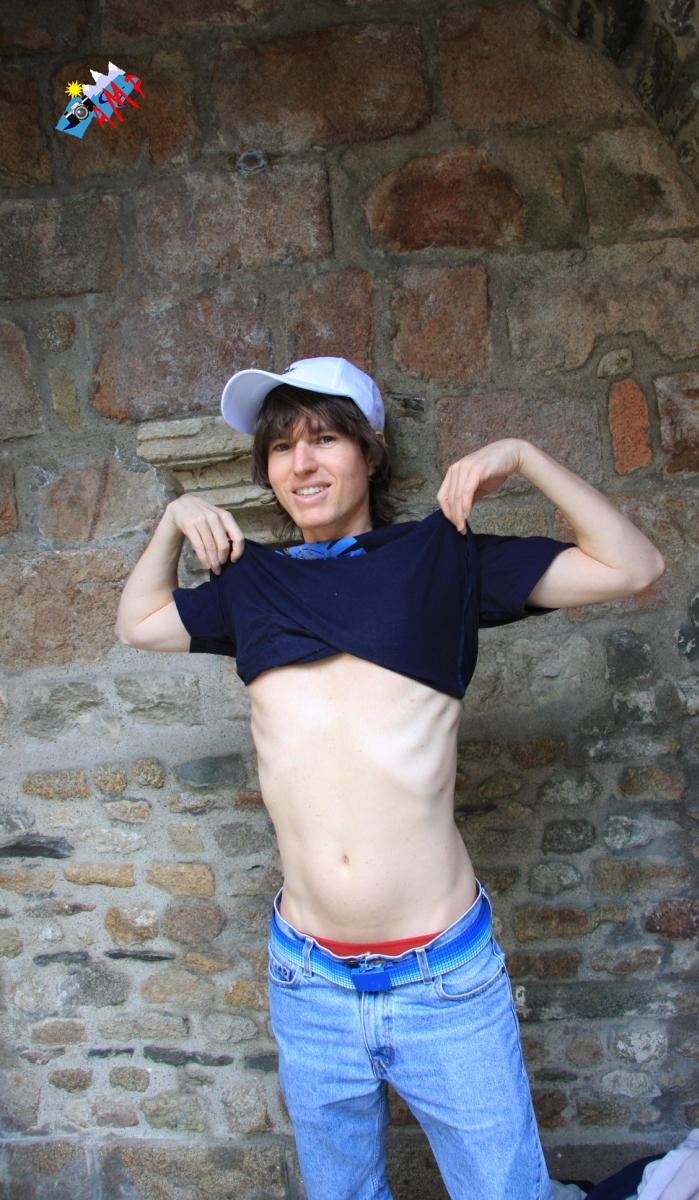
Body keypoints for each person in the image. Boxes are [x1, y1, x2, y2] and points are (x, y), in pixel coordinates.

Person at [115, 356, 665, 1200]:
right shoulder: (252, 582)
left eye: (324, 439)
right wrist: (173, 519)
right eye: (282, 447)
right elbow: (140, 622)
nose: (302, 464)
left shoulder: (440, 560)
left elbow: (634, 566)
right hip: (309, 980)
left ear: (369, 453)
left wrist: (522, 456)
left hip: (443, 977)